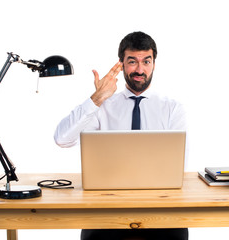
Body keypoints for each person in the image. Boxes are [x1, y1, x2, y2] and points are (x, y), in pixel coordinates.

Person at [54, 31, 188, 240]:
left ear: (154, 63)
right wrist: (96, 98)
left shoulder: (172, 108)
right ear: (122, 64)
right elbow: (62, 139)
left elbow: (179, 166)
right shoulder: (102, 105)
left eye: (146, 61)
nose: (139, 69)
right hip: (106, 207)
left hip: (160, 206)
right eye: (132, 61)